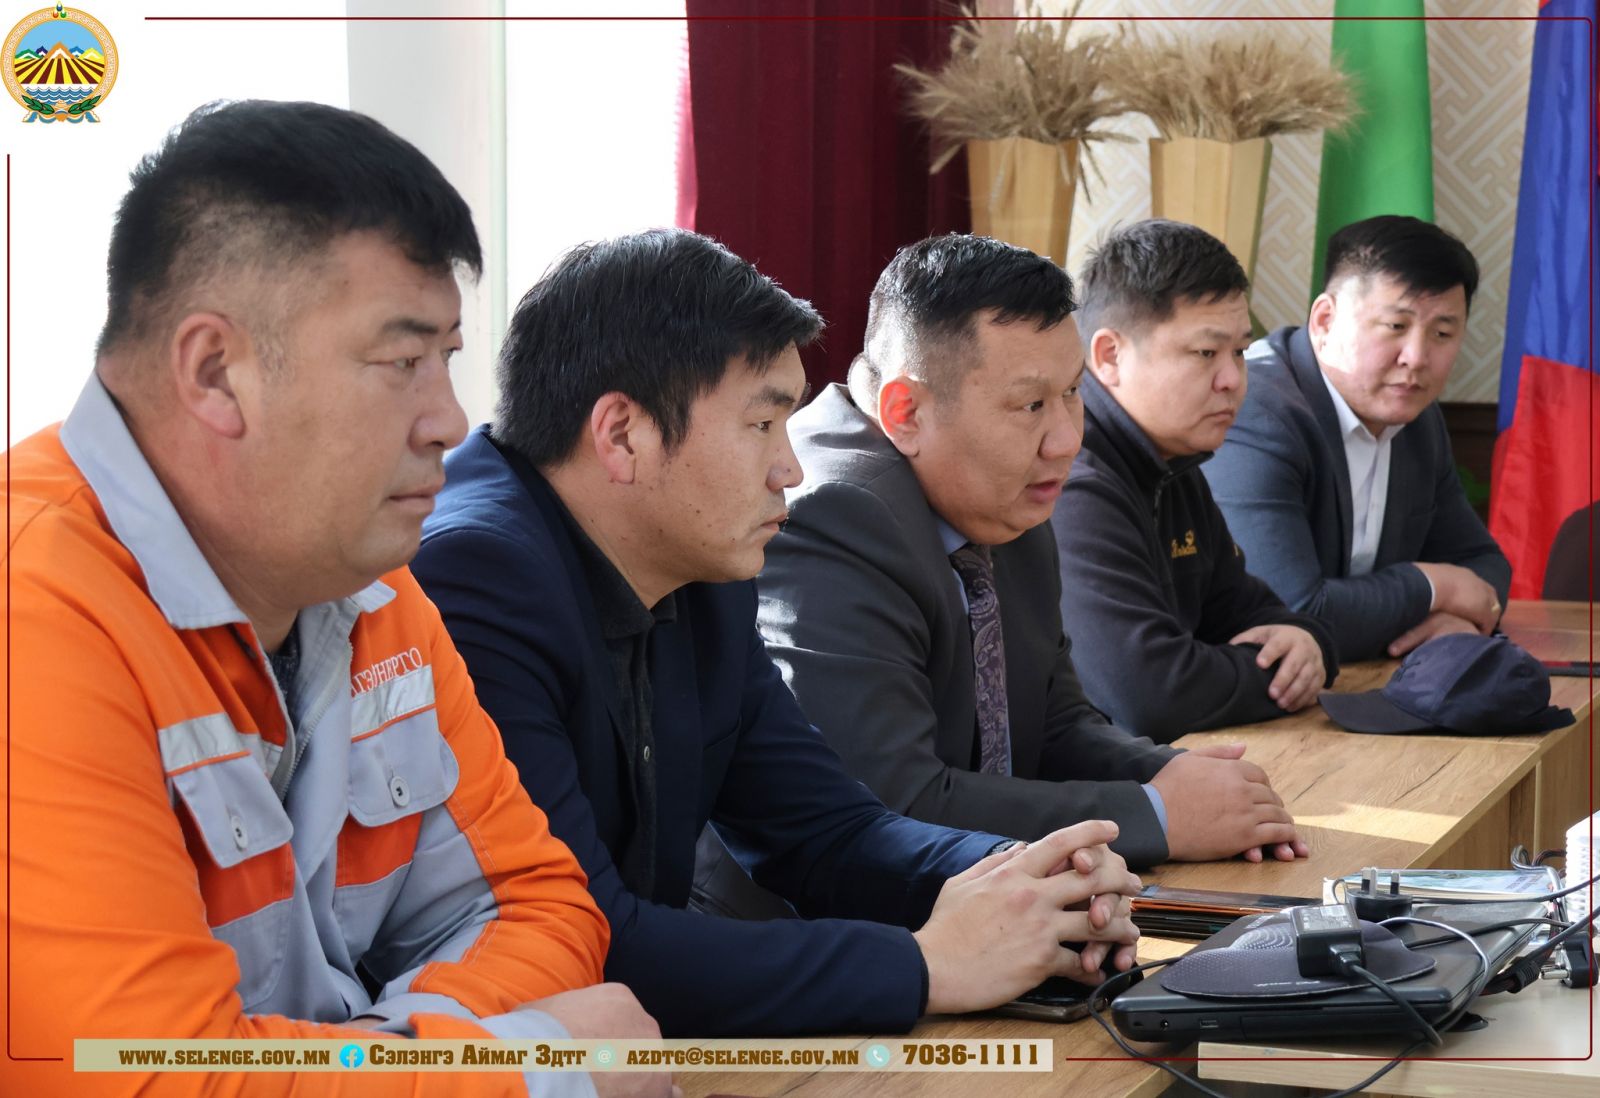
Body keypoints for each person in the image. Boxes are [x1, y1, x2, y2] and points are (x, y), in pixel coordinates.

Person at [0, 100, 668, 1098]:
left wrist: (373, 1056)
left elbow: (546, 908)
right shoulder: (32, 611)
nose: (449, 421)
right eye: (401, 363)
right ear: (216, 373)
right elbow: (141, 1079)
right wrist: (527, 1071)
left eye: (447, 361)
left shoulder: (369, 589)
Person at [412, 228, 1143, 1039]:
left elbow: (824, 830)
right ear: (621, 435)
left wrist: (1026, 882)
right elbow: (585, 936)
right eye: (762, 424)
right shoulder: (477, 579)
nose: (790, 470)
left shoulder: (696, 556)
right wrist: (926, 966)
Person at [756, 233, 1310, 870]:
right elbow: (892, 804)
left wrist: (1174, 775)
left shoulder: (1002, 488)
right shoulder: (832, 517)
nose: (1066, 440)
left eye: (1072, 392)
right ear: (905, 412)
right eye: (1031, 404)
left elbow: (1054, 724)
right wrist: (1156, 815)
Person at [1049, 220, 1338, 740]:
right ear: (1110, 356)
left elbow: (1255, 612)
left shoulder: (1174, 461)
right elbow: (1151, 695)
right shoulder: (1072, 479)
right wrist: (1282, 674)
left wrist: (1308, 643)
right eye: (1206, 353)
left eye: (1240, 352)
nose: (1233, 380)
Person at [1203, 215, 1511, 661]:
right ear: (1325, 321)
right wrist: (1435, 587)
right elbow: (1290, 615)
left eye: (1442, 333)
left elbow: (1483, 563)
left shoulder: (1417, 420)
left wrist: (1464, 620)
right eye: (1395, 326)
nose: (1416, 357)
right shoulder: (1258, 413)